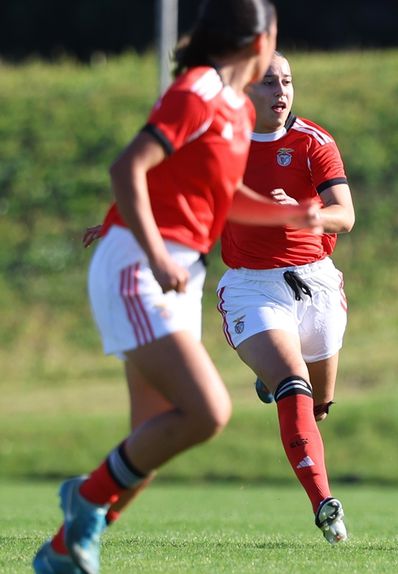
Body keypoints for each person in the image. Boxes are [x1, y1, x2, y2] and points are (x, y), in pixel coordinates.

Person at [30, 1, 318, 572]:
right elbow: (126, 168)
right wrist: (159, 254)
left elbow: (222, 198)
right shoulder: (198, 92)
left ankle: (64, 552)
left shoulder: (234, 112)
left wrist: (293, 215)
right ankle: (84, 499)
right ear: (255, 42)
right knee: (208, 410)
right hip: (140, 266)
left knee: (152, 440)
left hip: (177, 272)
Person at [214, 50, 355, 544]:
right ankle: (324, 504)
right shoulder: (221, 143)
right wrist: (120, 220)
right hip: (253, 286)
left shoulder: (313, 142)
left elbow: (345, 214)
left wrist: (303, 215)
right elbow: (168, 189)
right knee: (294, 386)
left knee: (318, 407)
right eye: (270, 83)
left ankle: (273, 378)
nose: (281, 92)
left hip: (314, 281)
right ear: (245, 90)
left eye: (287, 82)